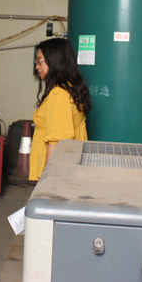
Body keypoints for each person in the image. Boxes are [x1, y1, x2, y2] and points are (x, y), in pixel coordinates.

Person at [29, 38, 91, 181]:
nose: (37, 66)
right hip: (69, 171)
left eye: (40, 61)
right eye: (36, 61)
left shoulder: (59, 94)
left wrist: (46, 182)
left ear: (55, 61)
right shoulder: (70, 88)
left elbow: (57, 143)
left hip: (55, 175)